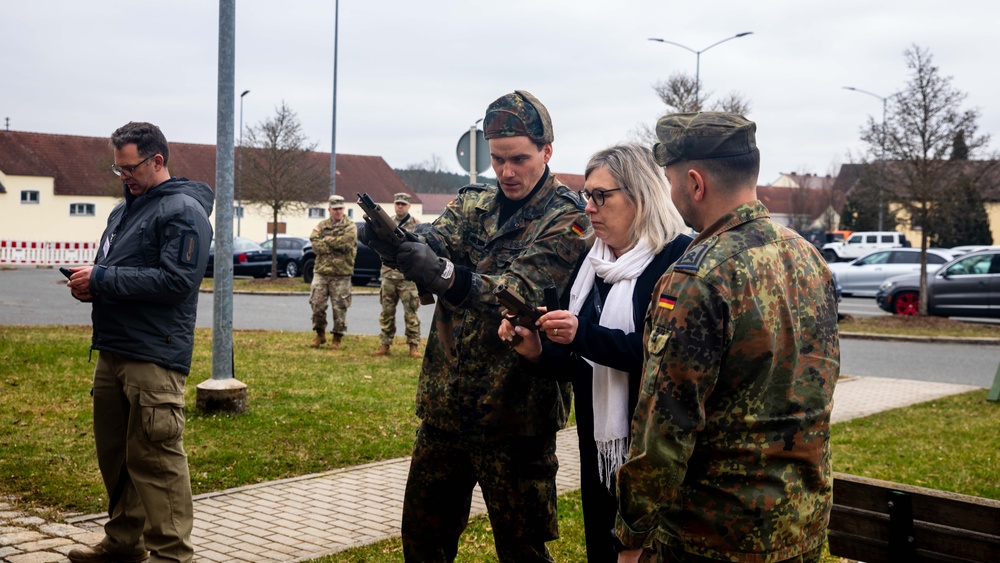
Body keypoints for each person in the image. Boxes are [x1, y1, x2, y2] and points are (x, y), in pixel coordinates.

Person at [360, 90, 593, 562]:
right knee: (423, 541)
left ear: (547, 152)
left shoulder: (569, 219)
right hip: (447, 409)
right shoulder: (473, 204)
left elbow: (519, 288)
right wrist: (392, 242)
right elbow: (433, 241)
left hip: (516, 417)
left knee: (521, 549)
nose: (507, 172)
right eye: (498, 158)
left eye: (520, 159)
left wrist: (445, 274)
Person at [613, 112, 841, 563]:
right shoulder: (807, 257)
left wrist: (631, 534)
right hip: (801, 524)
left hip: (715, 535)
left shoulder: (697, 279)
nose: (671, 193)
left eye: (670, 180)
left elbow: (664, 429)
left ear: (696, 183)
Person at [498, 143, 692, 562]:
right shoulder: (593, 264)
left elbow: (663, 358)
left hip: (654, 452)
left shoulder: (677, 260)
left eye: (601, 196)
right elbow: (574, 365)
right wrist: (533, 349)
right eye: (587, 195)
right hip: (599, 446)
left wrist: (581, 334)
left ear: (640, 195)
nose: (588, 208)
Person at [63, 121, 213, 563]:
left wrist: (105, 278)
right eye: (117, 169)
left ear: (157, 160)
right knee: (117, 457)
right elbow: (115, 270)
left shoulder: (183, 209)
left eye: (129, 168)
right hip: (113, 349)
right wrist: (91, 284)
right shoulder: (124, 210)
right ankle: (124, 542)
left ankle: (171, 554)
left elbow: (178, 281)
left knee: (157, 462)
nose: (123, 176)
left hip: (154, 353)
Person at [373, 192, 422, 358]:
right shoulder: (386, 222)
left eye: (403, 204)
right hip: (388, 274)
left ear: (409, 206)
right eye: (397, 204)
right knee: (386, 311)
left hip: (407, 277)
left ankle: (413, 345)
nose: (400, 206)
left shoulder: (416, 225)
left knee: (411, 312)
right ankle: (385, 343)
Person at [309, 194, 357, 349]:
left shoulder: (350, 226)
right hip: (321, 273)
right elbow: (315, 245)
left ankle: (337, 338)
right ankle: (320, 334)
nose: (338, 212)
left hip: (341, 274)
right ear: (329, 209)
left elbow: (346, 244)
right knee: (317, 305)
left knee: (340, 308)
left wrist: (327, 241)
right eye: (335, 209)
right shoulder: (322, 225)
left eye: (341, 209)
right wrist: (333, 244)